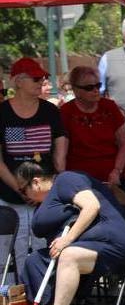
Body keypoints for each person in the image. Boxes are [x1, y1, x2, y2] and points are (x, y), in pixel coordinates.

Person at [18, 162, 125, 305]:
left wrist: (67, 239)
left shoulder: (66, 180)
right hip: (86, 243)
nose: (23, 196)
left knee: (68, 256)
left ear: (35, 182)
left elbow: (91, 206)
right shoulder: (50, 200)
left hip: (110, 241)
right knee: (34, 260)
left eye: (22, 190)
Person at [0, 57, 67, 278]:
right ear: (18, 81)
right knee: (7, 253)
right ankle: (10, 302)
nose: (42, 81)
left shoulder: (50, 111)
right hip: (9, 195)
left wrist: (58, 170)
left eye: (44, 77)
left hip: (44, 195)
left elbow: (60, 139)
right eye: (36, 78)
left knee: (42, 248)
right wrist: (19, 187)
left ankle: (41, 296)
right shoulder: (3, 112)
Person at [60, 65, 125, 187]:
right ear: (76, 90)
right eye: (89, 87)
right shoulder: (65, 112)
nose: (96, 90)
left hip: (111, 177)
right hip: (78, 178)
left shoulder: (110, 107)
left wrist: (117, 171)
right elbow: (61, 152)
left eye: (98, 85)